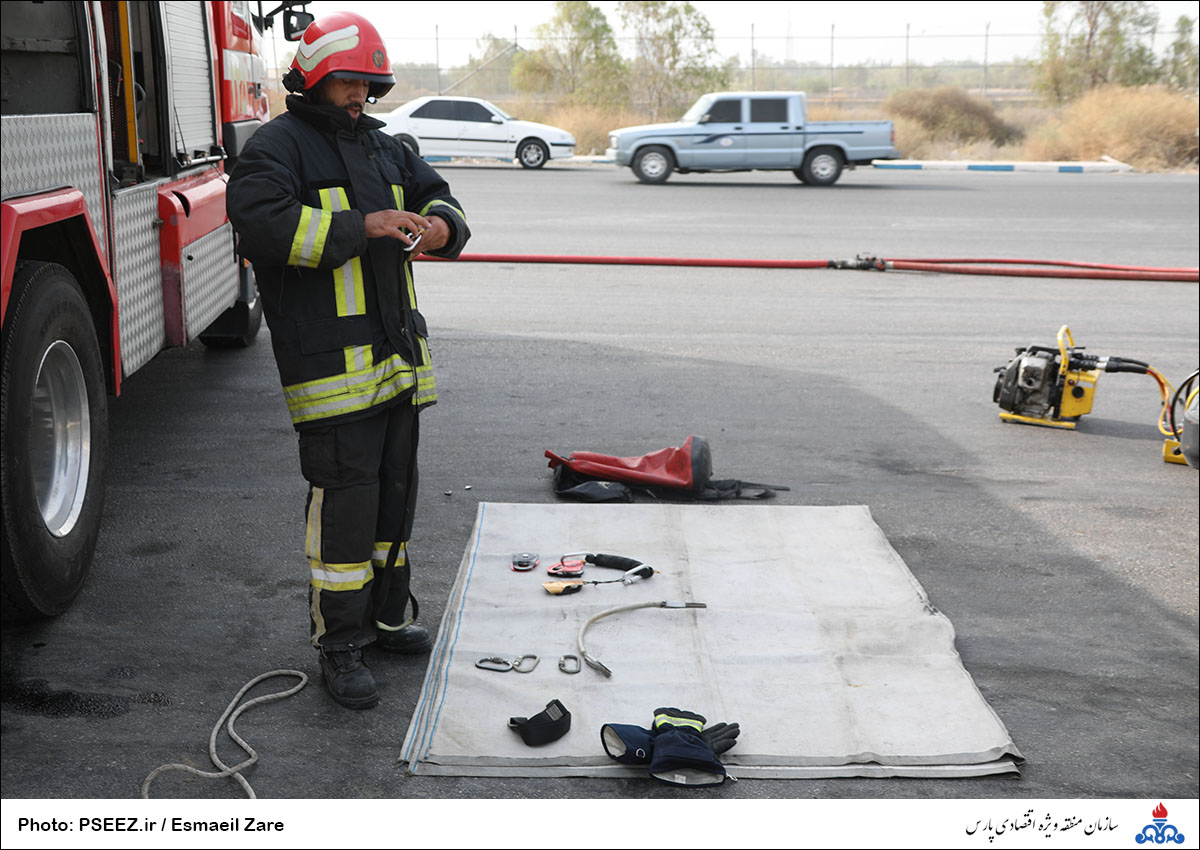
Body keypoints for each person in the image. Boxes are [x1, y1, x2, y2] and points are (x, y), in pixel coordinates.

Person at [226, 11, 470, 709]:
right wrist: (356, 227)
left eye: (367, 83)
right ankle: (341, 646)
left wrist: (442, 225)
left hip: (396, 367)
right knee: (345, 514)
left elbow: (439, 197)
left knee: (395, 498)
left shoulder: (387, 147)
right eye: (347, 84)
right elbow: (261, 225)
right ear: (314, 79)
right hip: (331, 373)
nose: (360, 95)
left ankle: (390, 618)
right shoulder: (277, 147)